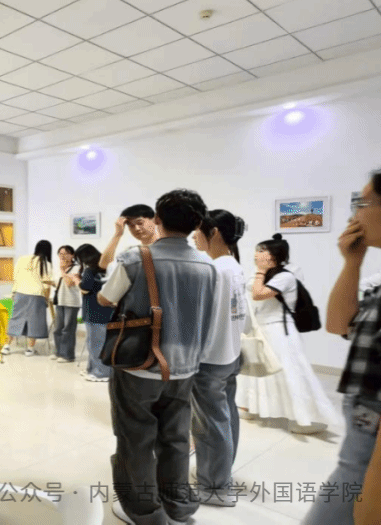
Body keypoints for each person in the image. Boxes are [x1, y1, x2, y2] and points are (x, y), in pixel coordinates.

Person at [98, 189, 217, 525]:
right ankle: (179, 508)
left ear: (158, 219)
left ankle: (144, 512)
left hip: (139, 365)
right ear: (197, 224)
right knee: (176, 439)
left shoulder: (137, 259)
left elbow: (105, 299)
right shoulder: (208, 265)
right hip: (185, 367)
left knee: (135, 439)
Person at [303, 169, 381, 525]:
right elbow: (339, 324)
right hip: (365, 425)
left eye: (365, 203)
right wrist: (352, 261)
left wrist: (375, 499)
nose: (356, 214)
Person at [237, 234, 341, 434]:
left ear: (274, 255)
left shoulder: (286, 276)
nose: (257, 254)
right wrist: (259, 271)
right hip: (261, 328)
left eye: (262, 250)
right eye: (257, 250)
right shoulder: (259, 274)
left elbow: (258, 294)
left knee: (292, 372)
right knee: (257, 369)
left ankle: (303, 420)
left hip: (280, 331)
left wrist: (260, 271)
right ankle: (248, 407)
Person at [190, 210, 248, 507]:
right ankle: (221, 474)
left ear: (213, 232)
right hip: (230, 354)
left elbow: (202, 318)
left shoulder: (215, 270)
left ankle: (215, 487)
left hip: (211, 358)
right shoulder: (232, 265)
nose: (193, 236)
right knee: (225, 416)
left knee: (210, 424)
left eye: (197, 230)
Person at [2, 240, 53, 357]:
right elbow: (47, 285)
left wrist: (14, 292)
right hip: (37, 296)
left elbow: (15, 277)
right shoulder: (46, 264)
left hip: (20, 293)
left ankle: (6, 347)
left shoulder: (22, 259)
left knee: (15, 319)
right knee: (34, 322)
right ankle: (30, 349)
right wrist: (46, 299)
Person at [74, 244, 112, 382]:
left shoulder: (90, 270)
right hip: (106, 310)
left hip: (93, 311)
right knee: (97, 343)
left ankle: (101, 373)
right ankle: (92, 369)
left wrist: (77, 280)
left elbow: (85, 288)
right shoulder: (107, 269)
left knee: (96, 344)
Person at [99, 204, 159, 271]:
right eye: (131, 226)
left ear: (154, 220)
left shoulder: (166, 247)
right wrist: (118, 234)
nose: (137, 228)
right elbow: (104, 265)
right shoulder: (132, 252)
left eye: (140, 223)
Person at [52, 245, 82, 363]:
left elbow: (69, 283)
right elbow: (58, 283)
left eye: (65, 253)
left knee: (68, 329)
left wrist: (63, 271)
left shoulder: (77, 268)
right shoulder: (59, 268)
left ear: (72, 255)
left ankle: (68, 356)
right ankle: (58, 352)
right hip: (60, 301)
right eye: (60, 254)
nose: (62, 256)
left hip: (71, 302)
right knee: (57, 329)